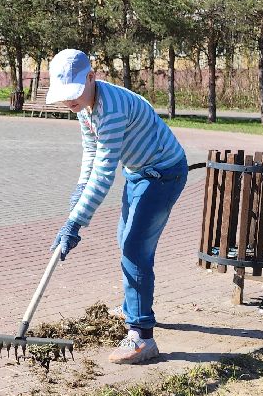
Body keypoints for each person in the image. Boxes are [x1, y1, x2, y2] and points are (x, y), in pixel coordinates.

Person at [47, 48, 187, 365]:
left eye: (73, 91)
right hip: (139, 172)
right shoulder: (85, 106)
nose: (68, 101)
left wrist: (75, 222)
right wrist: (80, 189)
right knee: (126, 240)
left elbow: (104, 172)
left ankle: (142, 336)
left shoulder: (110, 110)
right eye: (63, 94)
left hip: (163, 173)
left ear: (91, 77)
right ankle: (132, 305)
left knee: (135, 248)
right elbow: (91, 152)